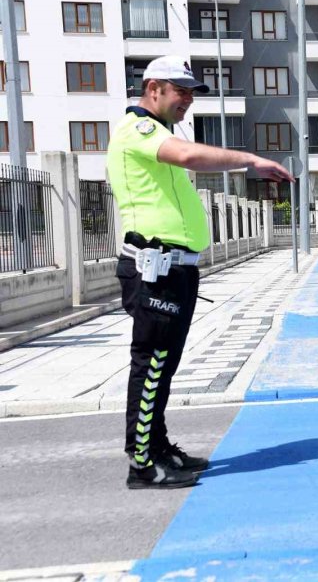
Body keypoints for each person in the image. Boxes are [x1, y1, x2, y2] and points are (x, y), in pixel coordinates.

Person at [106, 55, 293, 489]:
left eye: (192, 93)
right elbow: (190, 156)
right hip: (153, 267)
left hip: (175, 268)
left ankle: (158, 447)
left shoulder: (159, 134)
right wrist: (248, 160)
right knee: (151, 364)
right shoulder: (139, 129)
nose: (188, 100)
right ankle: (142, 463)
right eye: (181, 91)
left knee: (164, 366)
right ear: (154, 89)